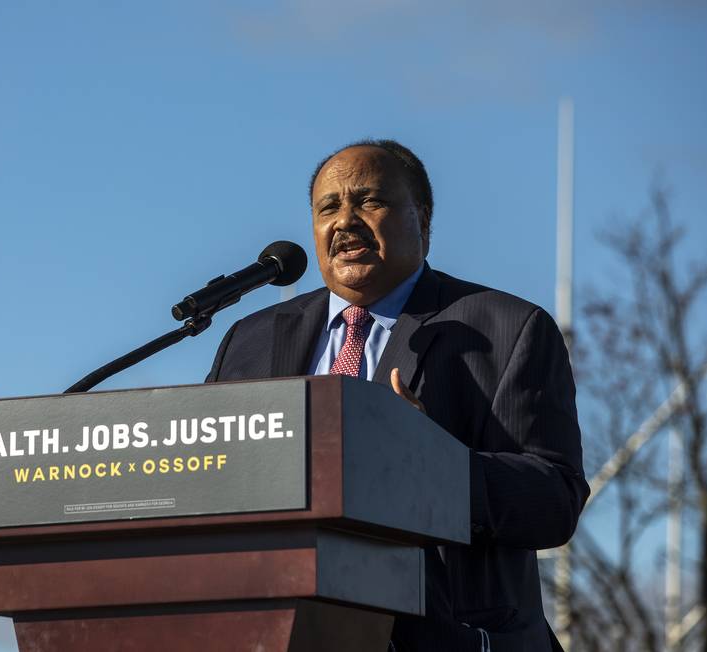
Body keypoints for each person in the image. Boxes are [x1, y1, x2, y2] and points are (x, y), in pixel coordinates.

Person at [205, 140, 589, 651]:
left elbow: (555, 499)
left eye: (369, 201)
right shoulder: (248, 341)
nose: (345, 221)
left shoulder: (508, 328)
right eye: (328, 208)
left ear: (422, 220)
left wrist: (435, 463)